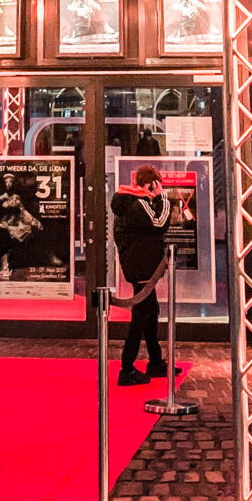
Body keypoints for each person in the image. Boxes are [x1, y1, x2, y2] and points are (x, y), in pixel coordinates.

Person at [111, 163, 173, 387]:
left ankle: (155, 361)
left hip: (138, 264)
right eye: (158, 185)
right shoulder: (138, 204)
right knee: (140, 317)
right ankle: (126, 368)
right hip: (142, 266)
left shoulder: (130, 203)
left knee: (149, 312)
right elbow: (159, 223)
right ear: (152, 184)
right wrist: (163, 198)